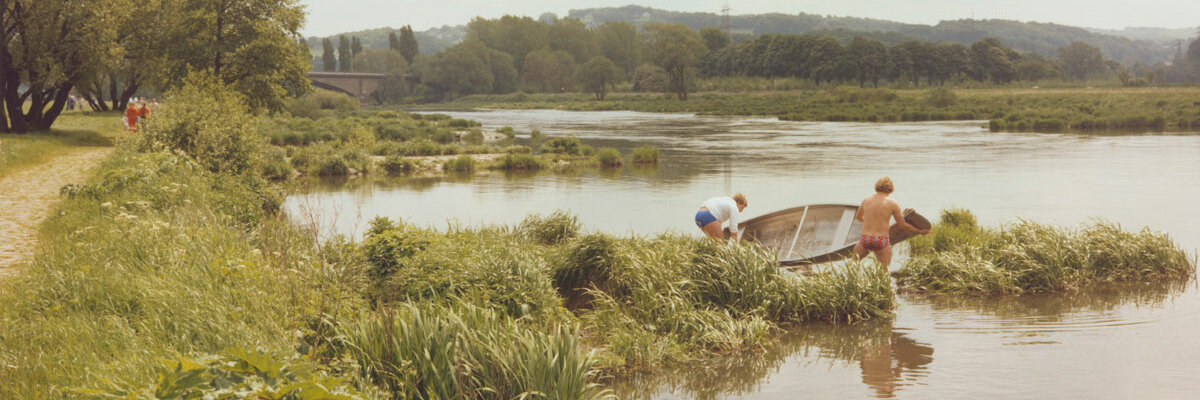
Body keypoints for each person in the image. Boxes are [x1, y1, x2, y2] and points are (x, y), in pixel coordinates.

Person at [853, 177, 929, 268]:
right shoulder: (893, 204)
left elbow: (859, 217)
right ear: (891, 189)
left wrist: (871, 220)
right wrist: (919, 231)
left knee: (852, 266)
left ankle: (849, 281)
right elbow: (902, 225)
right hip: (881, 239)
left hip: (865, 239)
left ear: (877, 187)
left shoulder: (866, 200)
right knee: (884, 271)